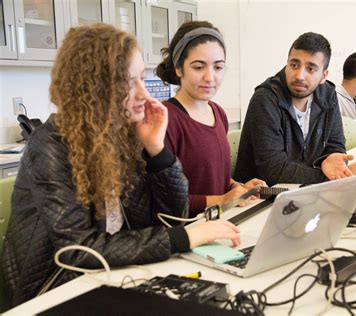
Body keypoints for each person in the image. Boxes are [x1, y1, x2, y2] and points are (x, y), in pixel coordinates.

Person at [1, 23, 241, 308]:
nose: (144, 94)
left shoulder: (127, 135)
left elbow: (172, 216)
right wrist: (181, 238)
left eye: (142, 78)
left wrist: (158, 151)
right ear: (94, 88)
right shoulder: (51, 146)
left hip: (121, 272)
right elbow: (79, 251)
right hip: (56, 288)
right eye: (128, 82)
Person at [155, 21, 265, 216]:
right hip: (187, 231)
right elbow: (165, 201)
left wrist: (238, 188)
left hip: (219, 220)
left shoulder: (218, 112)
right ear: (179, 68)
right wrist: (221, 200)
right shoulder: (165, 120)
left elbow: (215, 179)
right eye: (198, 67)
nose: (210, 77)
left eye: (218, 67)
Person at [234, 32, 356, 187]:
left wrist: (333, 161)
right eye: (294, 65)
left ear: (324, 76)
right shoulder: (265, 99)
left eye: (311, 69)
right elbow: (273, 171)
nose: (299, 76)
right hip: (260, 197)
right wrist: (332, 178)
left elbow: (335, 145)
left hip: (305, 191)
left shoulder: (328, 95)